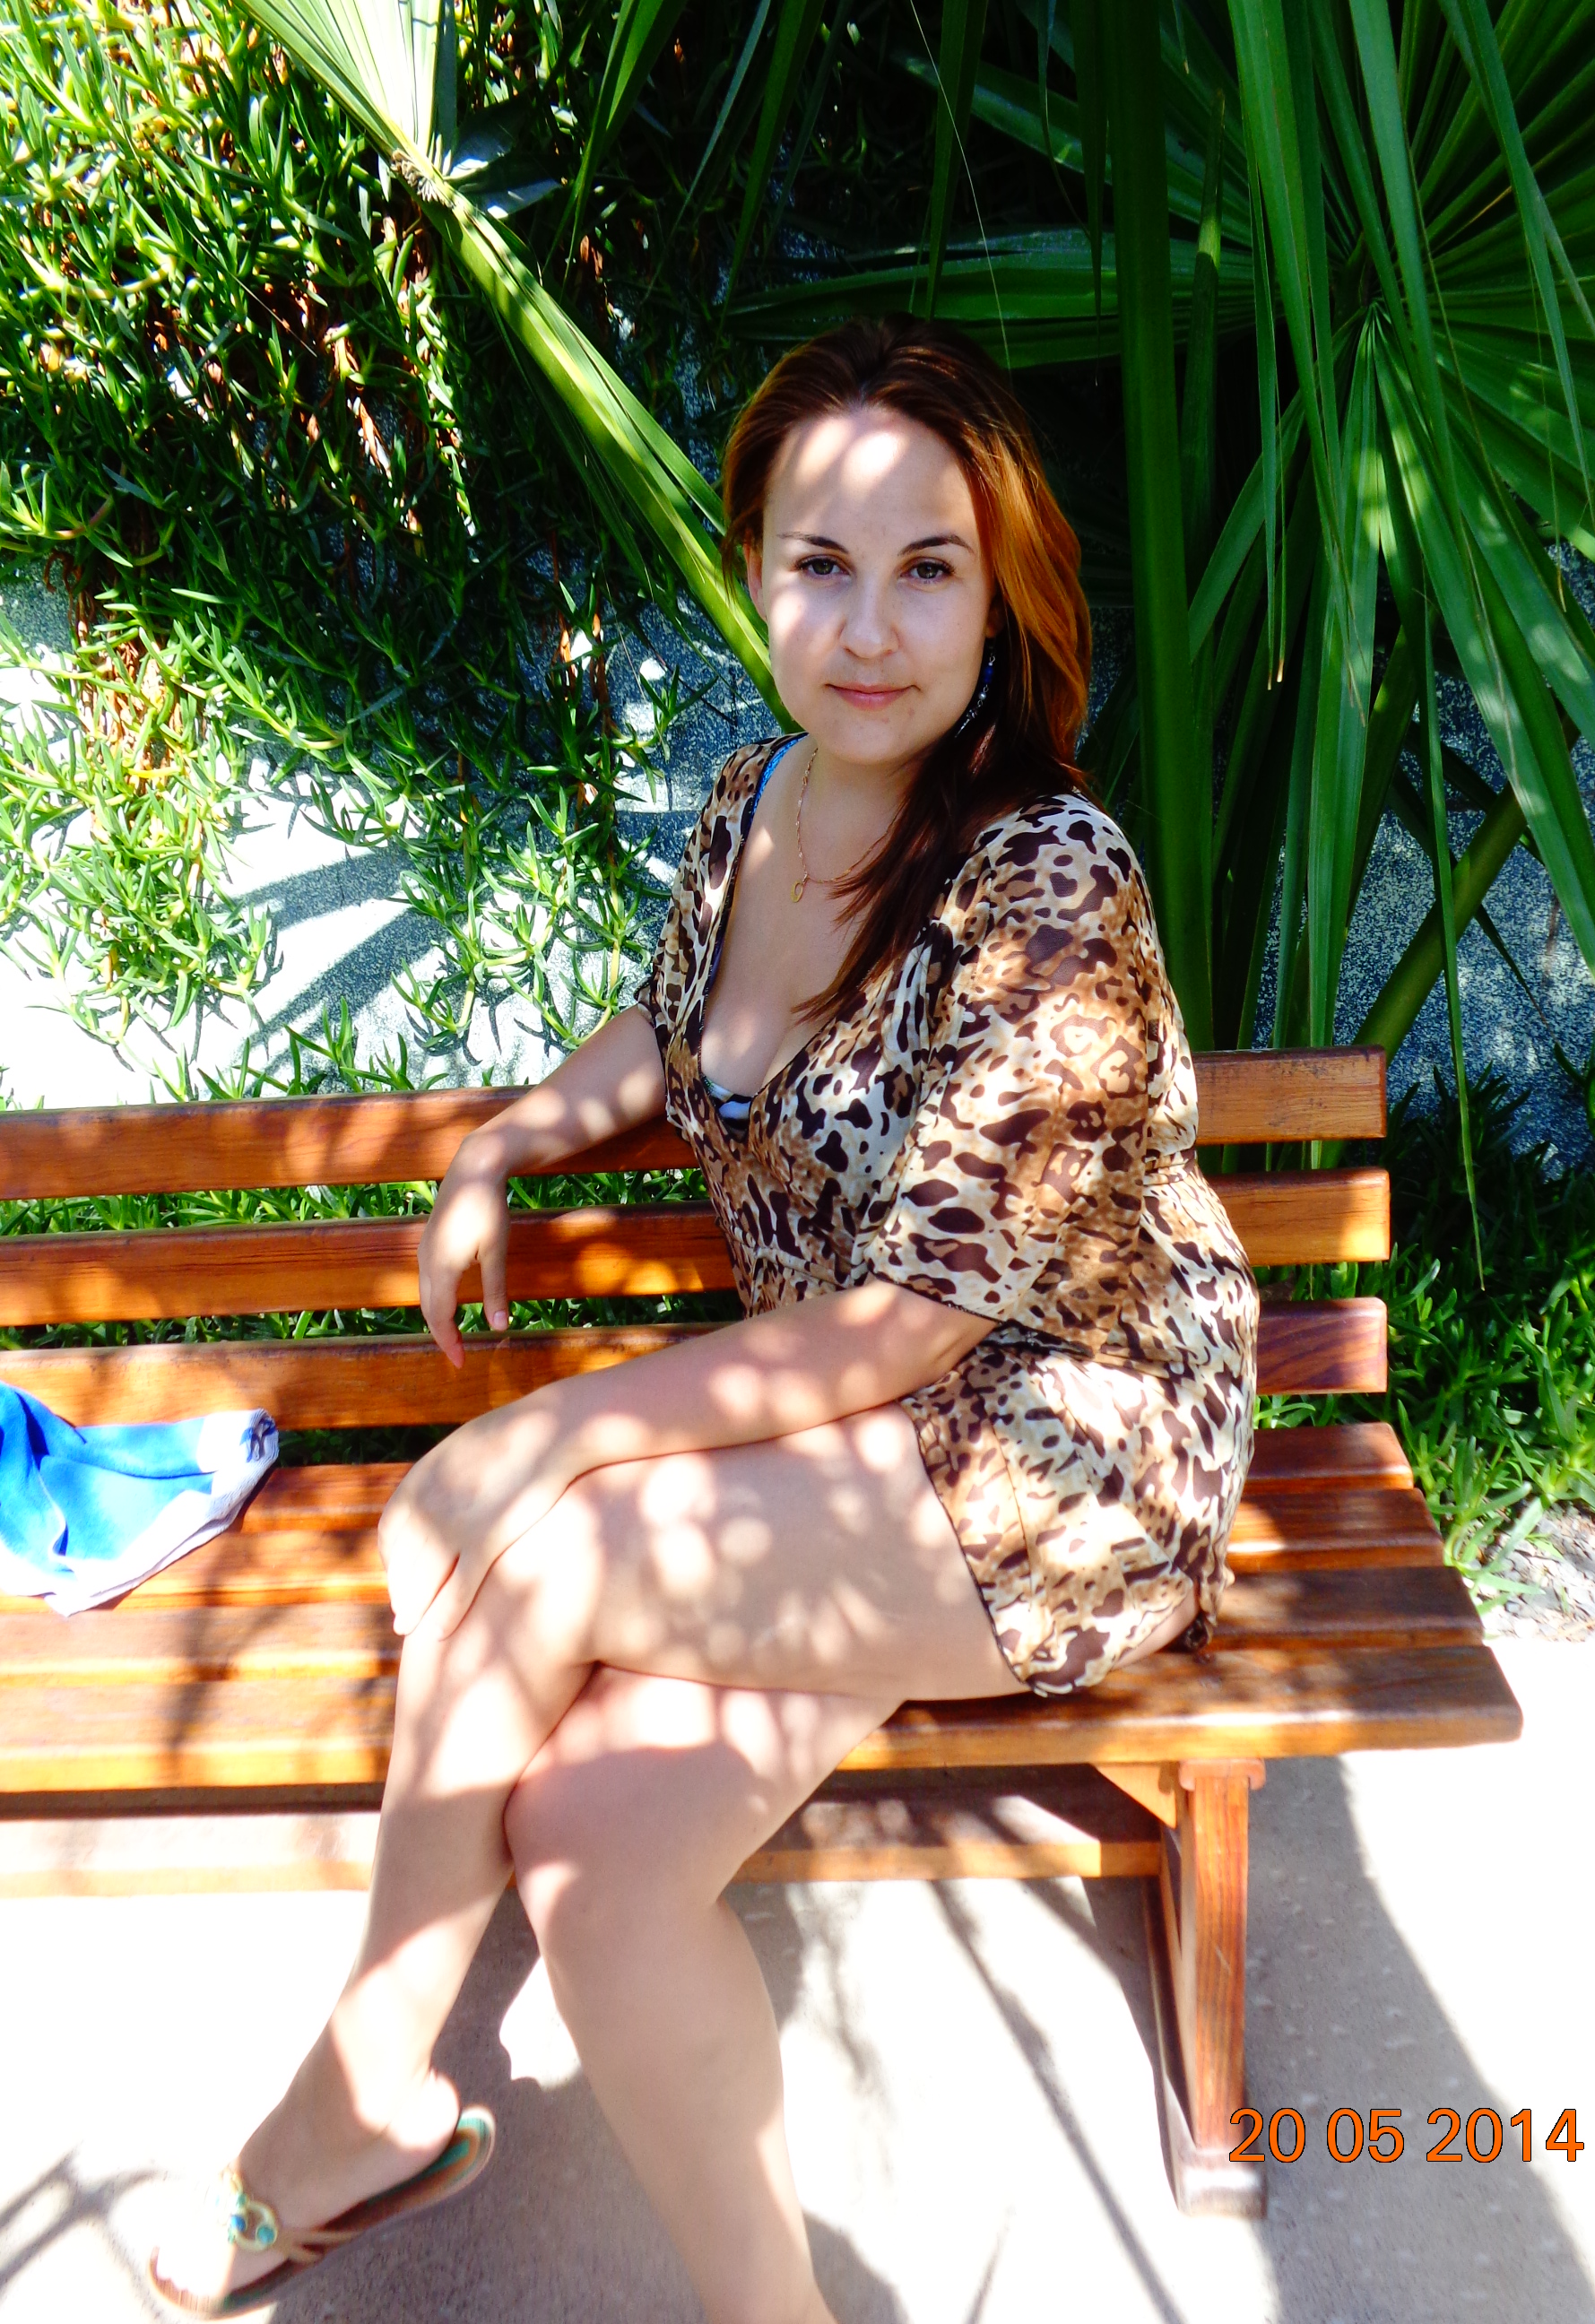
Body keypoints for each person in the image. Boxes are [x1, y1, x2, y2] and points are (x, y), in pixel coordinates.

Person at [151, 315, 1258, 2323]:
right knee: (590, 1841)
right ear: (754, 570)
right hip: (843, 1450)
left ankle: (359, 2097)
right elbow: (673, 1034)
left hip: (1063, 1449)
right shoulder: (758, 799)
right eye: (820, 564)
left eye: (928, 569)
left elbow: (910, 1326)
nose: (871, 628)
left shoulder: (1049, 881)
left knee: (537, 1540)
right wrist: (509, 1139)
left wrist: (552, 1430)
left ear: (1000, 595)